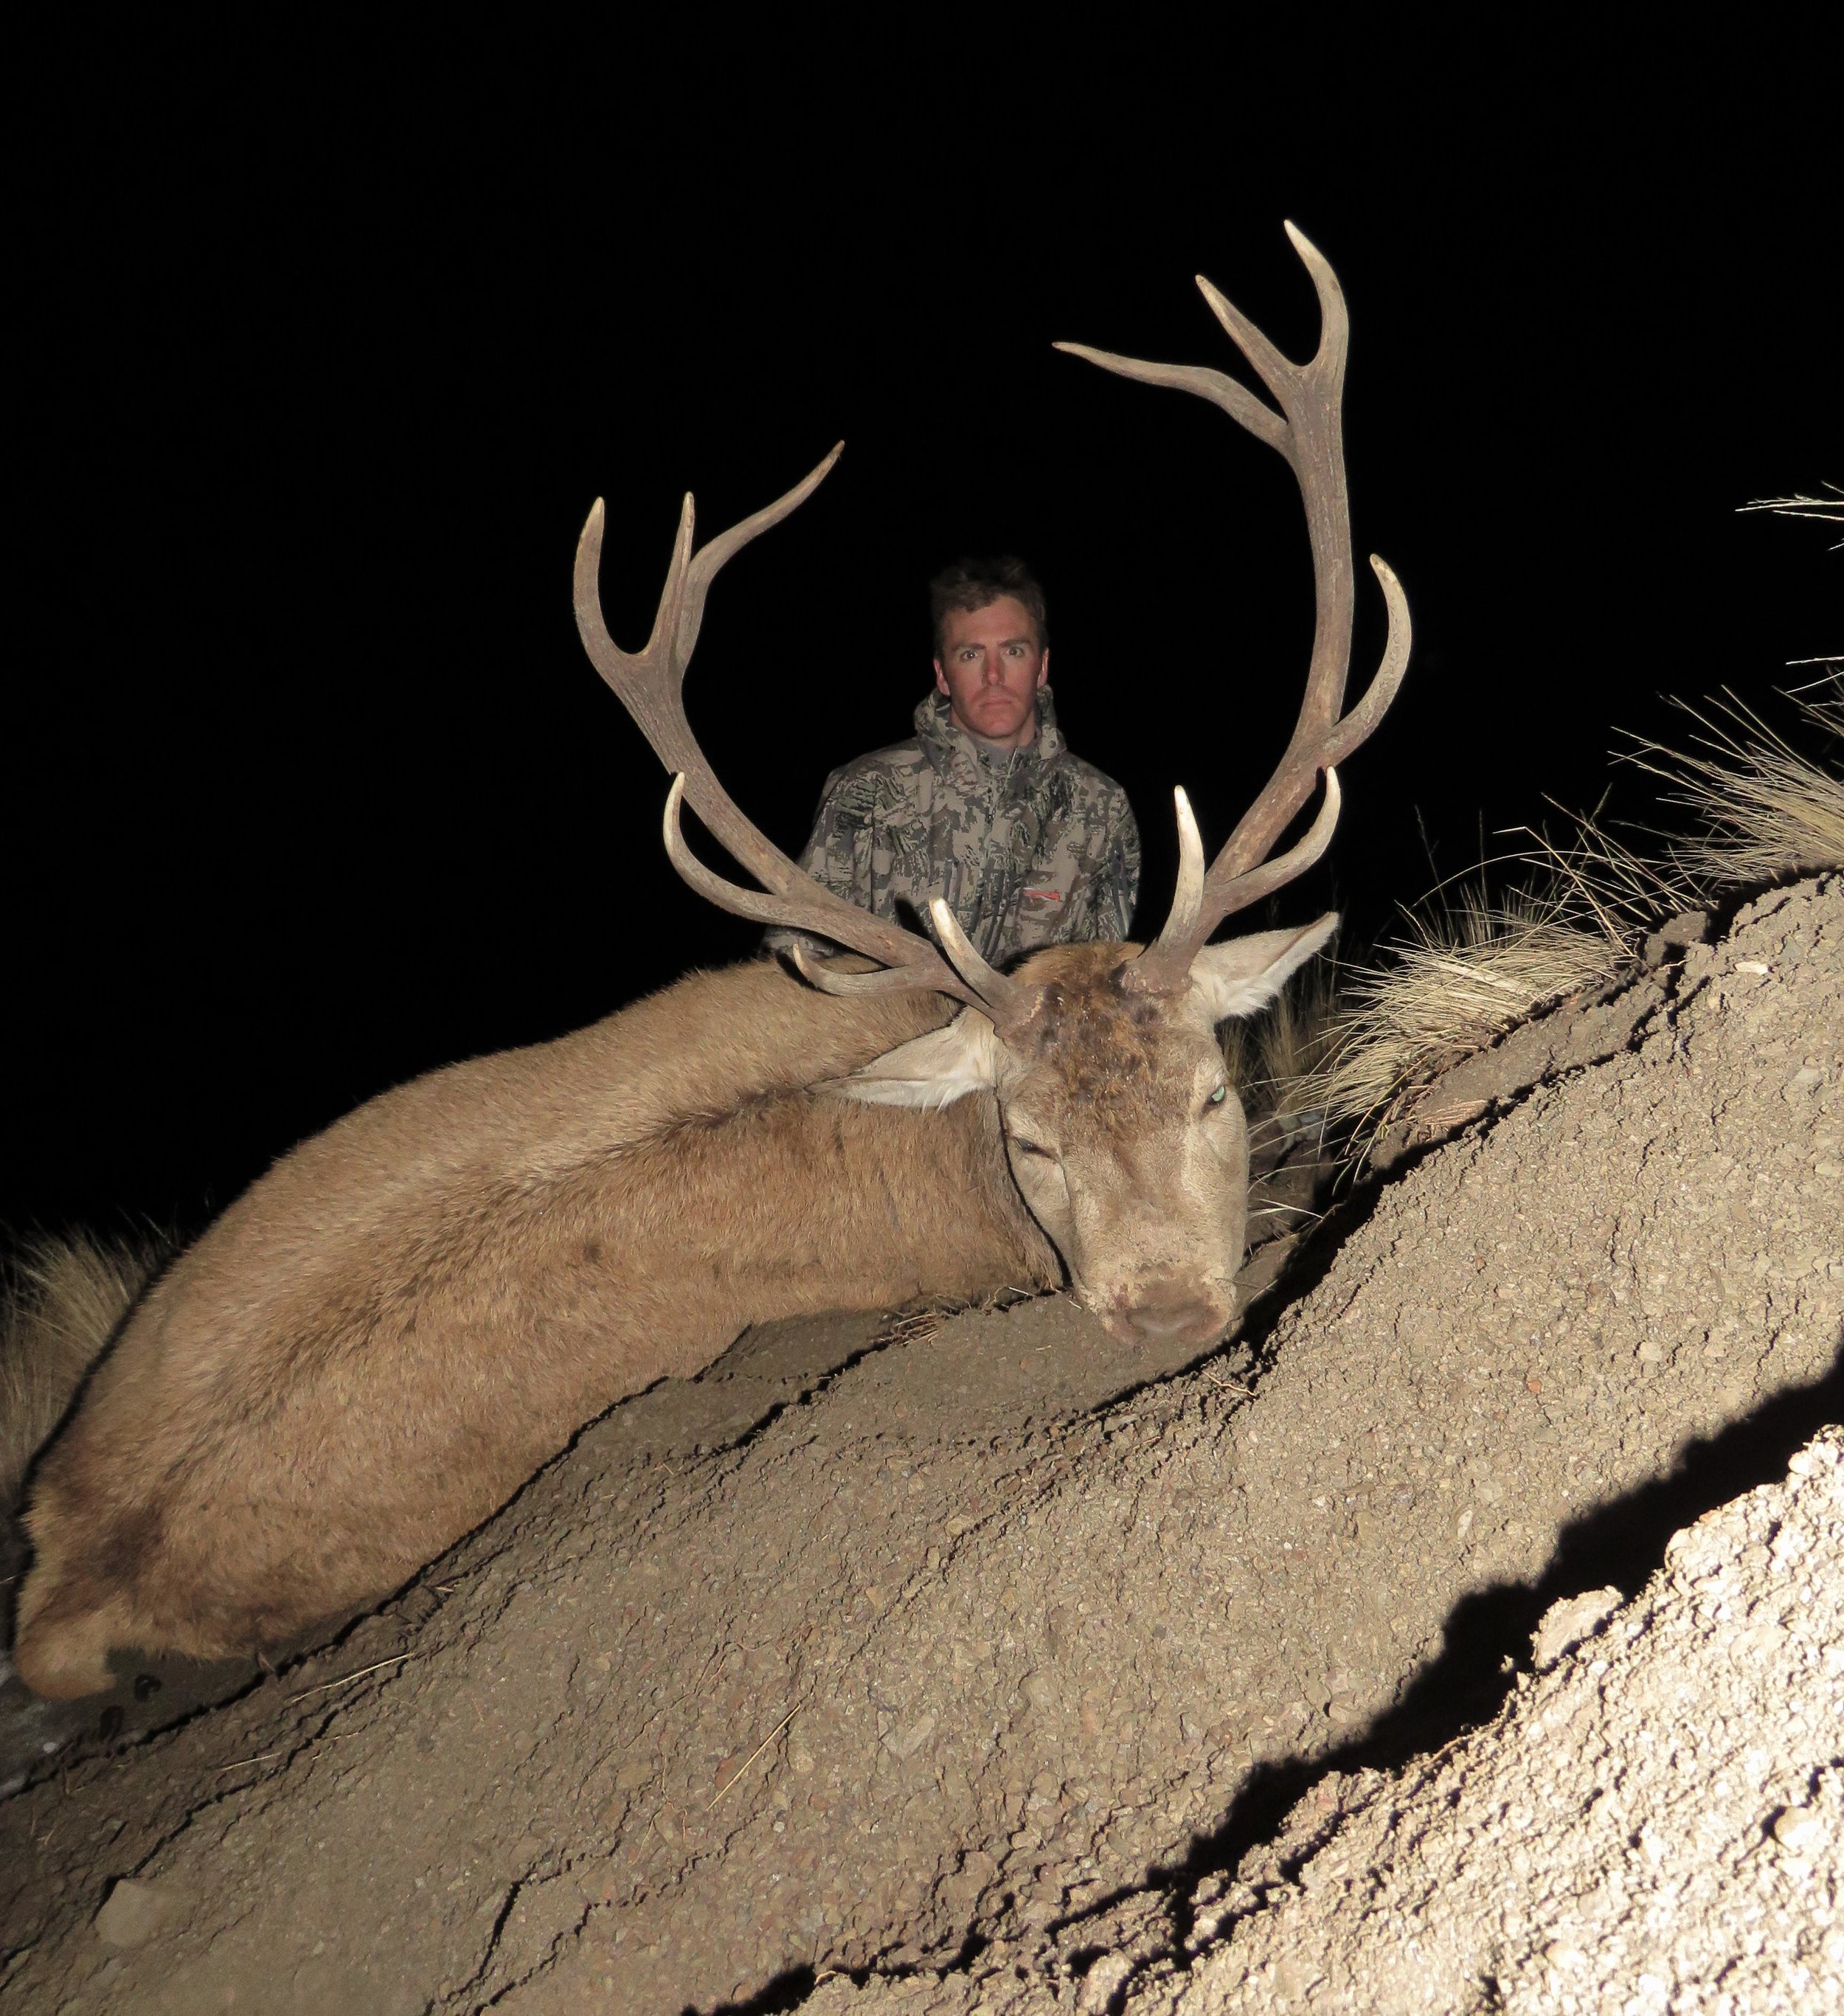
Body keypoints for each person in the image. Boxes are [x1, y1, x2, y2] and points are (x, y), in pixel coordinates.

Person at [771, 557, 1140, 966]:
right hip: (891, 1030)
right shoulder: (867, 790)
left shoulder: (1101, 807)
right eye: (970, 655)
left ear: (1042, 667)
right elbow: (797, 958)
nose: (994, 675)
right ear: (942, 674)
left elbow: (1105, 980)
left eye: (1014, 651)